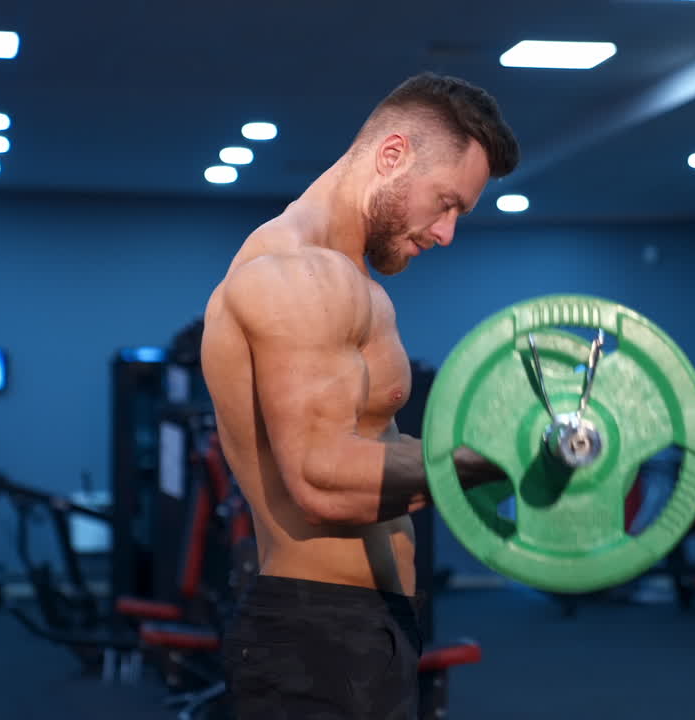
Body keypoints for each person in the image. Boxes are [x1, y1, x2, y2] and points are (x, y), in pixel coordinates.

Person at [199, 72, 519, 719]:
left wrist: (505, 454)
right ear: (393, 155)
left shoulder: (360, 288)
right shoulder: (292, 274)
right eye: (446, 202)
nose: (447, 233)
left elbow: (379, 451)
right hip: (313, 634)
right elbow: (320, 479)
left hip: (373, 629)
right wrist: (484, 463)